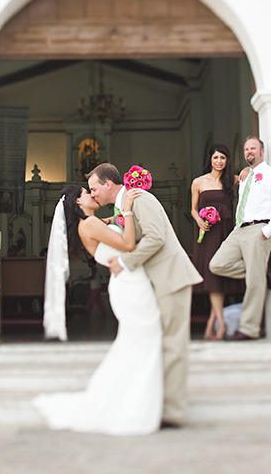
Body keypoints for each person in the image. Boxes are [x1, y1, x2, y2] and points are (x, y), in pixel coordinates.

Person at [33, 185, 161, 435]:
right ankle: (134, 401)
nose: (91, 195)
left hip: (129, 281)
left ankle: (131, 396)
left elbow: (110, 227)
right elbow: (128, 243)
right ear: (78, 204)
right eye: (85, 193)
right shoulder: (90, 225)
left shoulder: (92, 222)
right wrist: (127, 211)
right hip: (129, 283)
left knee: (136, 341)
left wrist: (116, 216)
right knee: (144, 337)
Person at [89, 163, 203, 428]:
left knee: (174, 345)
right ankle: (159, 402)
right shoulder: (124, 206)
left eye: (94, 188)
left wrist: (126, 262)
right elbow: (124, 226)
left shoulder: (141, 198)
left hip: (171, 277)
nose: (92, 194)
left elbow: (156, 238)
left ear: (108, 184)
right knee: (161, 343)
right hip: (157, 280)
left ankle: (173, 411)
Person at [209, 137, 271, 341]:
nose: (249, 152)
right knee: (217, 264)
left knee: (254, 281)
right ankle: (261, 273)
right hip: (240, 229)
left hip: (259, 229)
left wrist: (269, 230)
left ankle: (249, 328)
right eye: (246, 149)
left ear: (262, 151)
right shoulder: (246, 176)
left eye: (253, 148)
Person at [190, 143, 241, 340]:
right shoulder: (198, 182)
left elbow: (251, 175)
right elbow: (193, 208)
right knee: (212, 278)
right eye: (216, 158)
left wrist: (245, 169)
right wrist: (199, 221)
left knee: (218, 278)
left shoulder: (232, 180)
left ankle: (213, 324)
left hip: (225, 233)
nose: (219, 161)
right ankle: (219, 325)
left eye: (223, 158)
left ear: (227, 160)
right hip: (206, 232)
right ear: (210, 160)